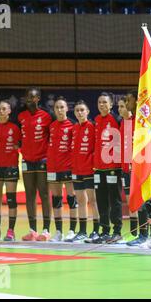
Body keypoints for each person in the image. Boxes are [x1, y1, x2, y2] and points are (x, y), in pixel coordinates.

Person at [18, 87, 53, 241]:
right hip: (27, 160)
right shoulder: (20, 116)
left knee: (44, 194)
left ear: (38, 98)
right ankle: (32, 230)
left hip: (42, 160)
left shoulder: (47, 116)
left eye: (32, 97)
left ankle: (46, 230)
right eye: (27, 97)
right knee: (29, 195)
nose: (29, 100)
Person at [91, 92, 123, 244]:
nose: (102, 105)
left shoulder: (117, 119)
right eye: (99, 102)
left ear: (111, 105)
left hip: (113, 168)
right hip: (98, 168)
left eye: (105, 102)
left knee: (114, 200)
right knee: (101, 200)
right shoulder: (96, 120)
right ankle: (104, 231)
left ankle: (117, 231)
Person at [0, 100, 21, 241]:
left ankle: (11, 231)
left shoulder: (15, 128)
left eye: (4, 109)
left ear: (9, 111)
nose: (1, 111)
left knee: (11, 199)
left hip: (10, 166)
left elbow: (20, 143)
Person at [46, 97, 76, 242]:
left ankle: (72, 230)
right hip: (52, 167)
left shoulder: (72, 125)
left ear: (66, 109)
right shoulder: (51, 126)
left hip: (68, 167)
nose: (59, 110)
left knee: (71, 198)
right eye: (57, 107)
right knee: (56, 199)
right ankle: (58, 232)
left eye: (61, 107)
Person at [70, 101, 100, 243]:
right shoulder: (74, 128)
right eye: (77, 110)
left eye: (82, 110)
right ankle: (82, 231)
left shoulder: (92, 127)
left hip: (89, 170)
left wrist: (92, 163)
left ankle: (96, 230)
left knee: (93, 201)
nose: (80, 113)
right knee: (81, 201)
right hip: (76, 170)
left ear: (87, 112)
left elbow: (96, 148)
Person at [118, 95, 139, 243]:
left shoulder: (135, 122)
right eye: (119, 107)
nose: (120, 109)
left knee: (138, 199)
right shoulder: (122, 123)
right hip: (124, 167)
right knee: (129, 199)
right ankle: (133, 232)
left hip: (136, 166)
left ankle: (141, 232)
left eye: (123, 106)